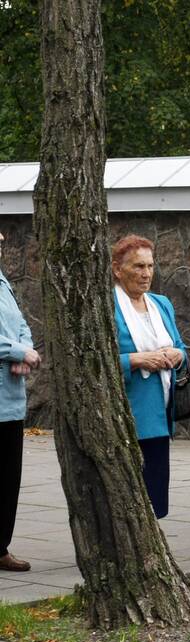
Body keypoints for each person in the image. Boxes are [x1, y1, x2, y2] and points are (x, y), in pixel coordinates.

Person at [111, 234, 188, 520]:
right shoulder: (108, 305)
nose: (146, 274)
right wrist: (135, 360)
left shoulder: (161, 303)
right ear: (118, 269)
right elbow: (94, 362)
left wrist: (177, 355)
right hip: (126, 415)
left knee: (155, 498)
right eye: (138, 267)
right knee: (127, 499)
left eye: (150, 266)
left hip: (159, 415)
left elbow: (181, 347)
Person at [0, 231, 41, 572]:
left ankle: (0, 547)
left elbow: (22, 324)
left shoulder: (3, 282)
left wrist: (26, 348)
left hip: (10, 398)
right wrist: (17, 351)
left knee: (8, 477)